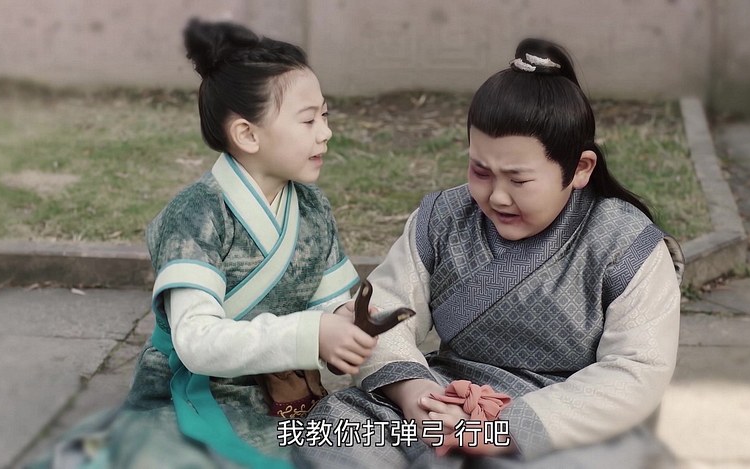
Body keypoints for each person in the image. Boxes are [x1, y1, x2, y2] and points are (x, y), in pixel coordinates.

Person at [293, 38, 684, 468]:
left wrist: (501, 431)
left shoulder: (626, 245)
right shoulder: (442, 219)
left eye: (518, 180)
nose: (496, 196)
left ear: (580, 168)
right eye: (481, 171)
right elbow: (381, 313)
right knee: (335, 430)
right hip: (444, 396)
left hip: (555, 420)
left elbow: (635, 370)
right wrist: (417, 396)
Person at [28, 19, 376, 468]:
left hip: (285, 393)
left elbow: (331, 303)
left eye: (325, 116)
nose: (325, 132)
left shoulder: (312, 207)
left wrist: (345, 322)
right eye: (308, 120)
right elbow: (196, 341)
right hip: (195, 389)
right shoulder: (197, 213)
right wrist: (312, 334)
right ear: (247, 134)